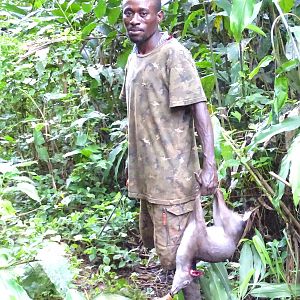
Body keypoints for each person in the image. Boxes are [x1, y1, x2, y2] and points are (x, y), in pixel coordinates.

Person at [120, 0, 218, 298]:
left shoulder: (173, 54)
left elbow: (199, 109)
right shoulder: (134, 57)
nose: (134, 20)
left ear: (158, 17)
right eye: (128, 12)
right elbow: (137, 114)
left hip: (174, 181)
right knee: (164, 252)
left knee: (180, 258)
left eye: (143, 13)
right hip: (148, 178)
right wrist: (130, 165)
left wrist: (210, 164)